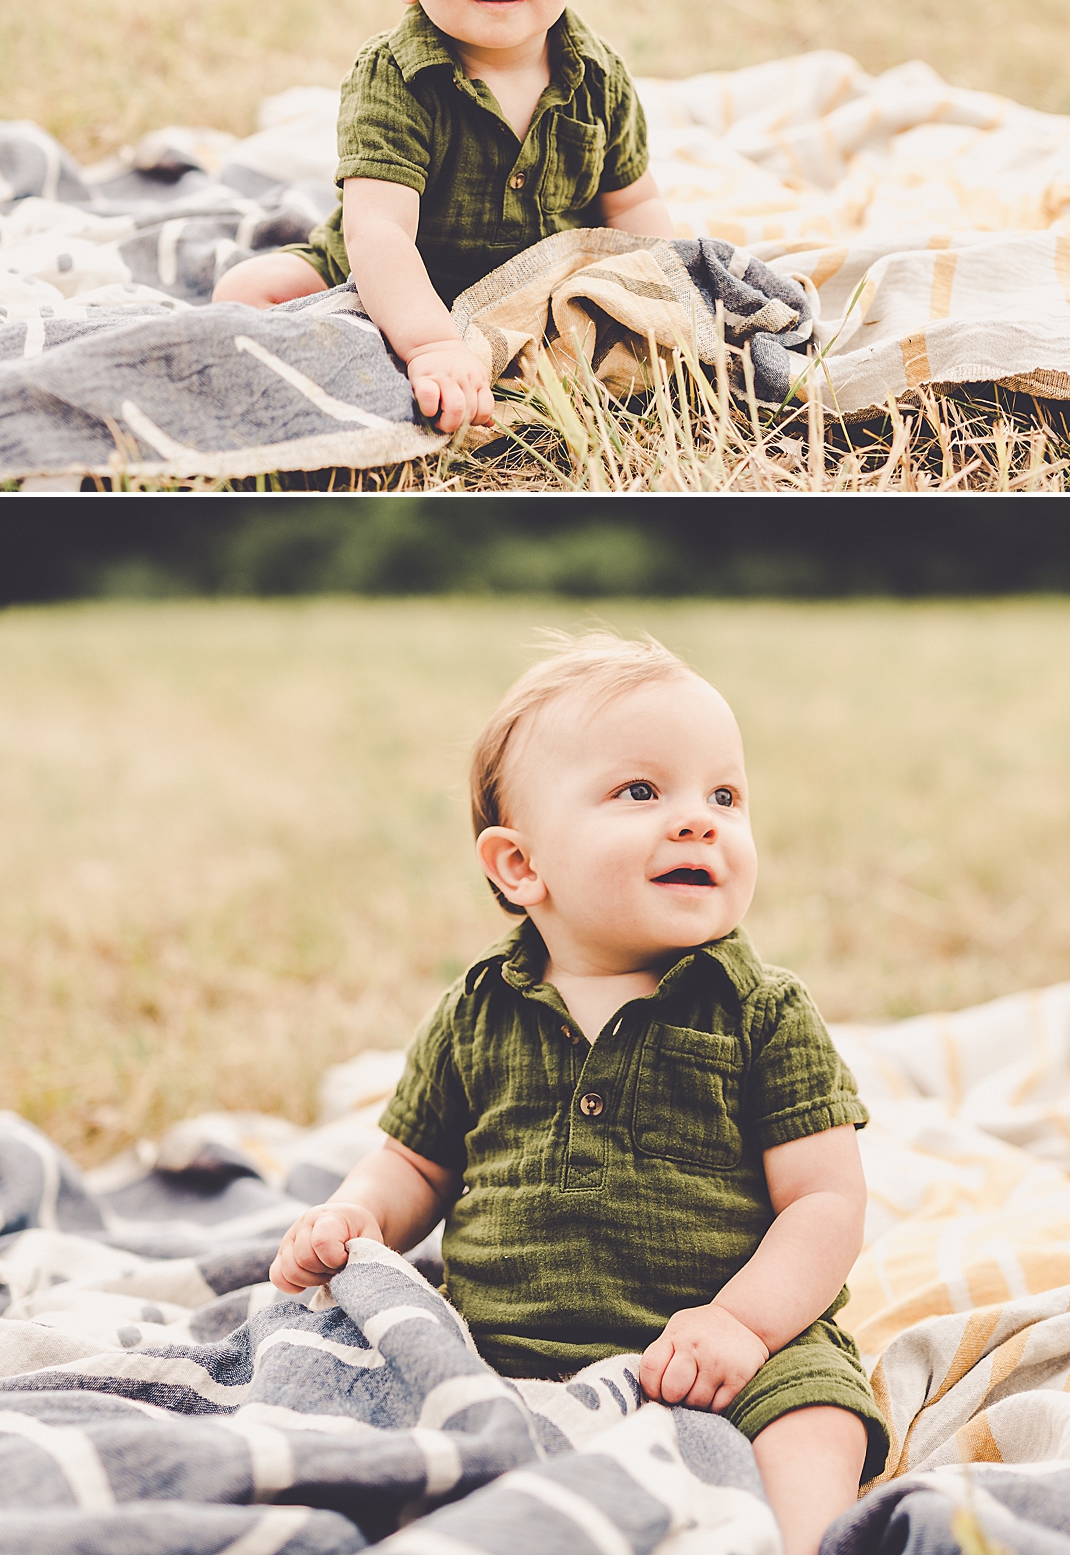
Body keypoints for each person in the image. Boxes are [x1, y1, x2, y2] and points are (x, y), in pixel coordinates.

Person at [269, 633, 888, 1557]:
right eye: (641, 791)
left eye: (724, 794)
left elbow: (826, 1200)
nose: (698, 820)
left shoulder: (760, 1011)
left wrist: (744, 1324)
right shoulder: (480, 1011)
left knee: (818, 1412)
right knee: (367, 1383)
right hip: (503, 1343)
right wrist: (357, 1213)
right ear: (520, 865)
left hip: (727, 1339)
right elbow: (413, 1159)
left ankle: (803, 1541)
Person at [212, 0, 677, 434]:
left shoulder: (597, 76)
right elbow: (381, 233)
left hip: (539, 286)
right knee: (244, 292)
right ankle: (359, 369)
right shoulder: (395, 76)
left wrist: (669, 294)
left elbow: (630, 205)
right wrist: (431, 343)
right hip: (390, 284)